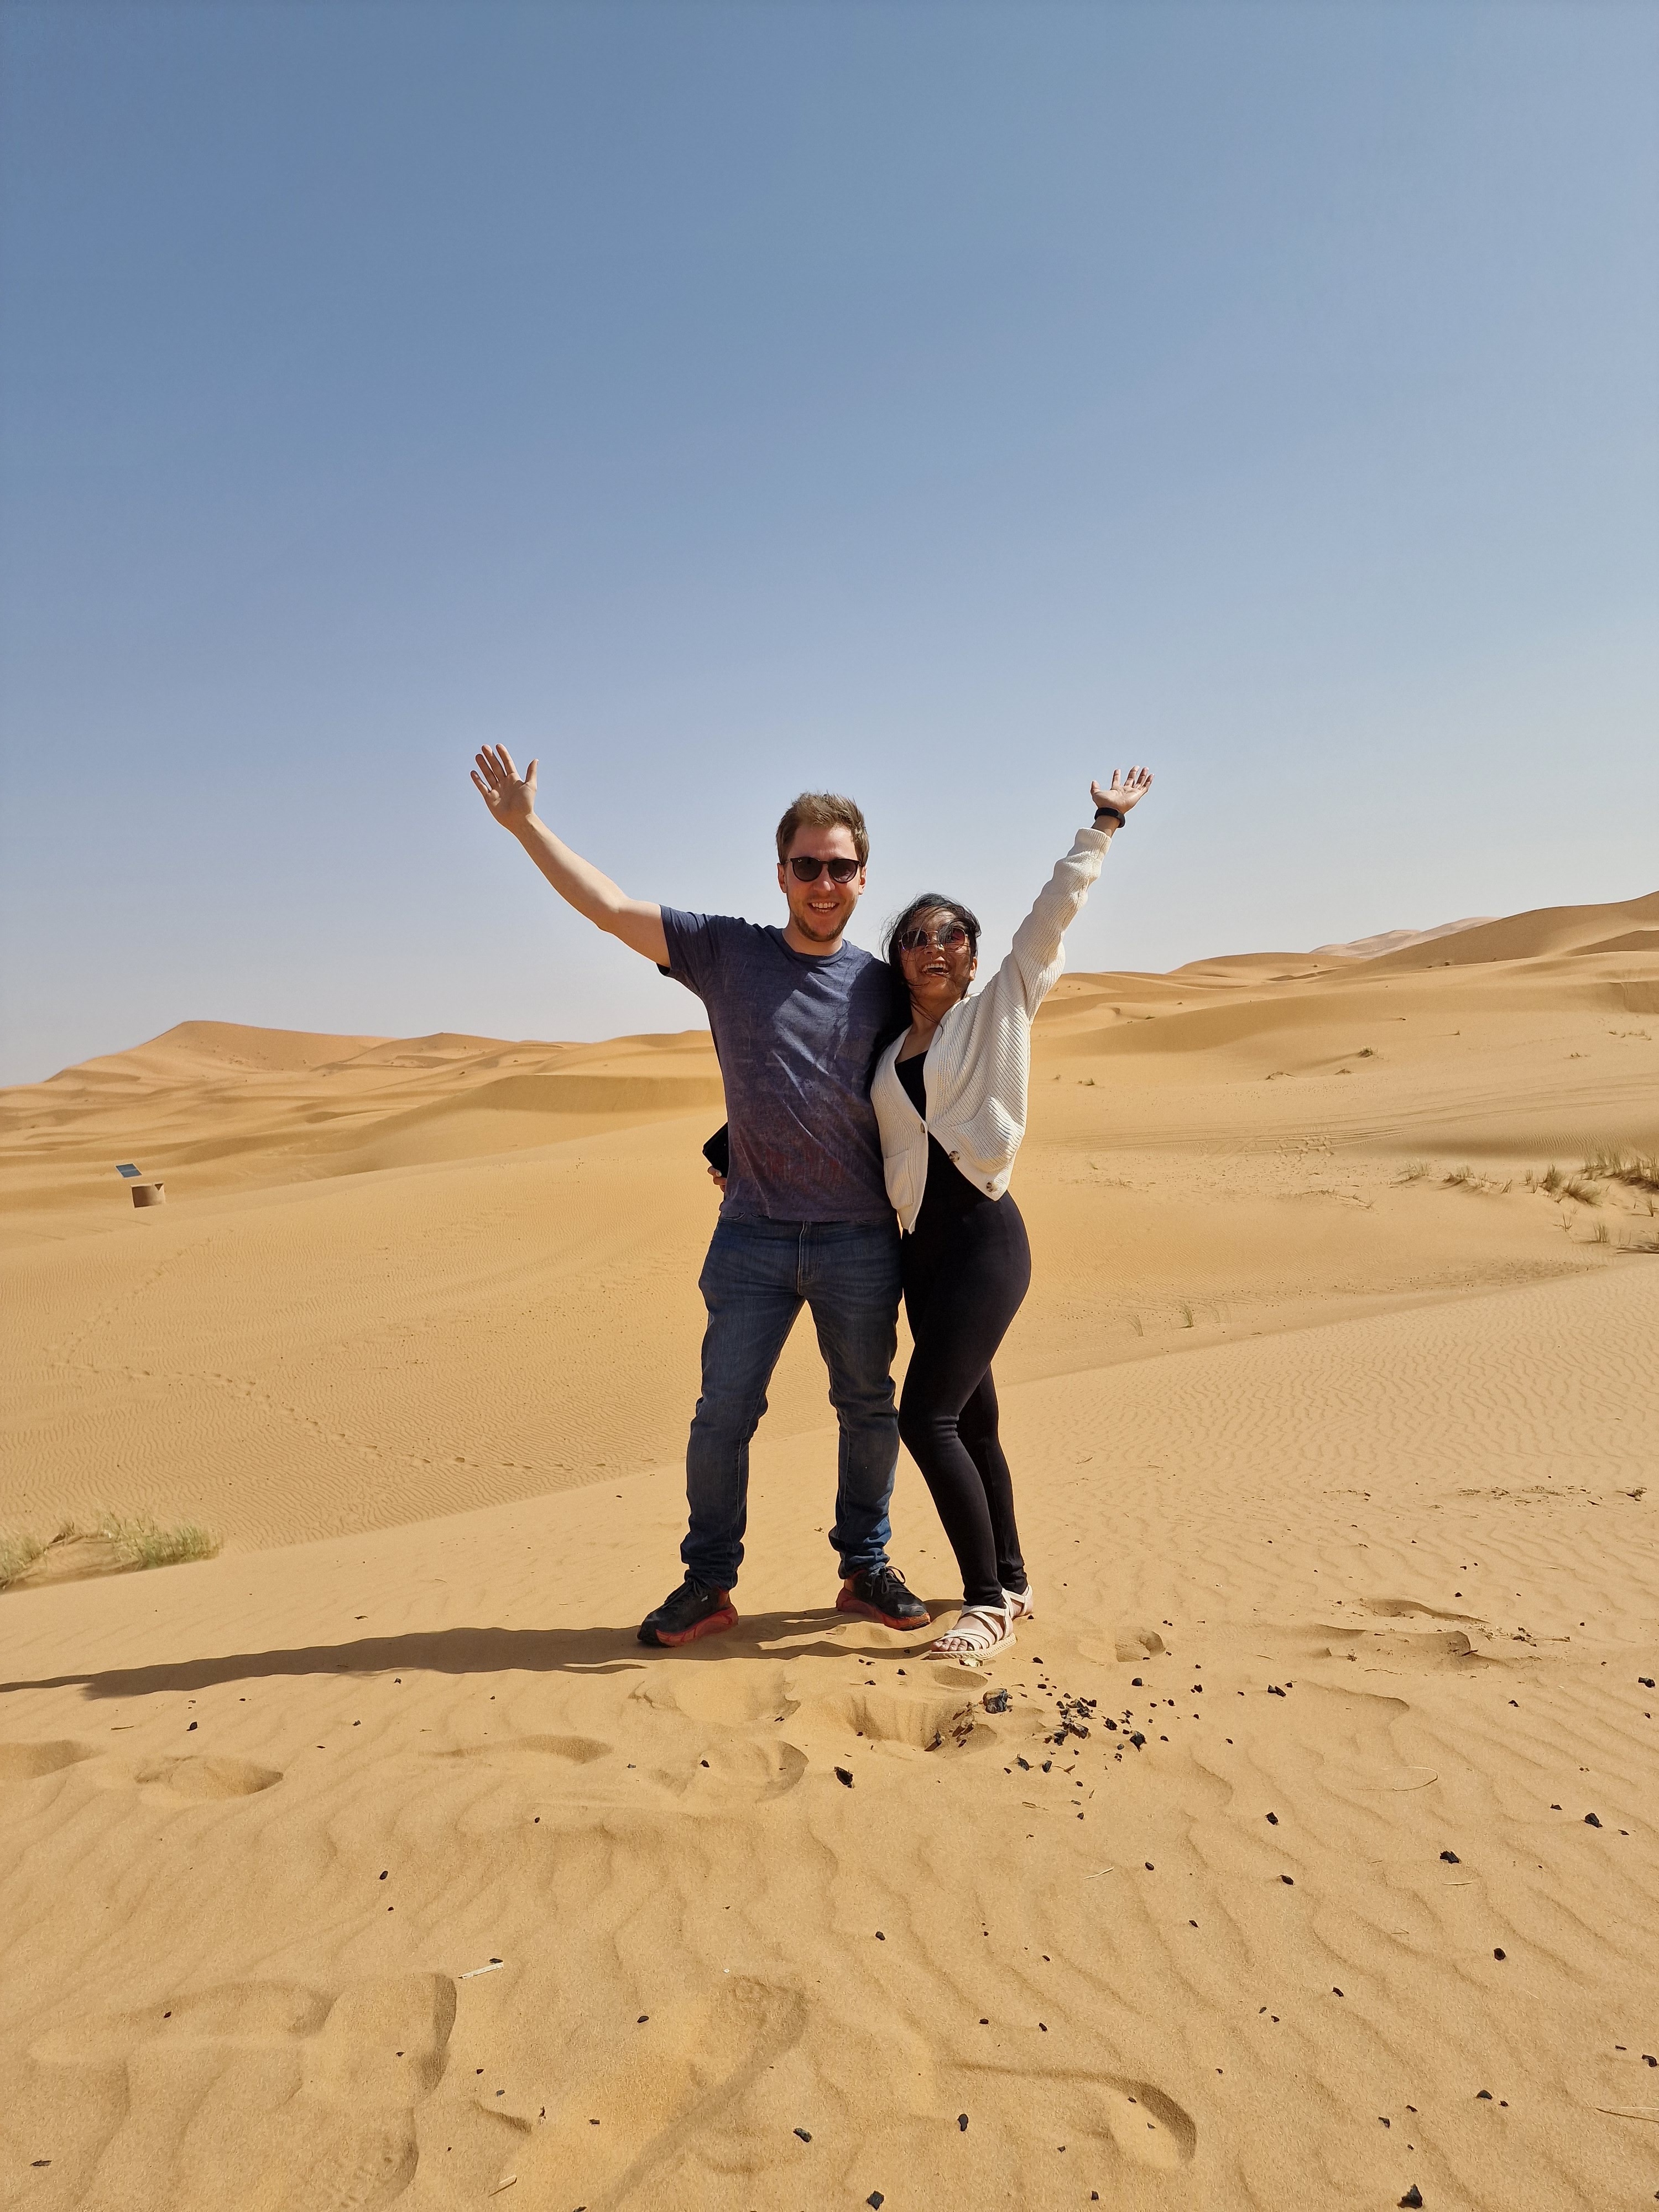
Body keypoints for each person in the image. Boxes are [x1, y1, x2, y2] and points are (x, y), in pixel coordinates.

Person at [469, 745, 929, 1647]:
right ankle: (708, 1583)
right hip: (752, 1235)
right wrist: (525, 824)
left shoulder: (886, 984)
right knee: (724, 1414)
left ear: (864, 878)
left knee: (869, 1406)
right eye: (808, 866)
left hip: (859, 1238)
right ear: (782, 873)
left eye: (840, 867)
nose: (823, 882)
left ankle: (864, 1565)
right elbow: (607, 909)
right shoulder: (726, 953)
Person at [870, 768, 1154, 1659]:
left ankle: (985, 1606)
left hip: (986, 1241)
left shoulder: (1000, 1007)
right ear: (900, 957)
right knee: (975, 1422)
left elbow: (1050, 919)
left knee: (927, 1419)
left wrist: (1101, 828)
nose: (935, 947)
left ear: (972, 949)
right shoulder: (884, 1049)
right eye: (917, 937)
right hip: (920, 1252)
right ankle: (1017, 1582)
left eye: (952, 934)